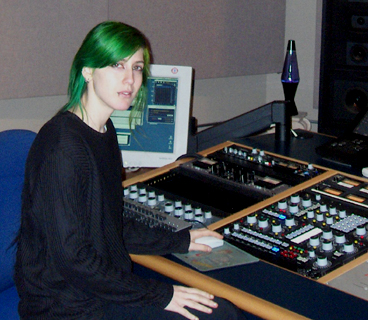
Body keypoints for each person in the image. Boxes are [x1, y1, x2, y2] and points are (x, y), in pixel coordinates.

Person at [14, 21, 246, 320]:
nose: (130, 80)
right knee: (219, 315)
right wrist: (160, 295)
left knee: (218, 308)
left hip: (98, 289)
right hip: (67, 308)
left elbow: (107, 224)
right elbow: (73, 260)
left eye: (137, 68)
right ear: (87, 70)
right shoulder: (63, 147)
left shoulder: (103, 129)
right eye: (116, 65)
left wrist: (180, 241)